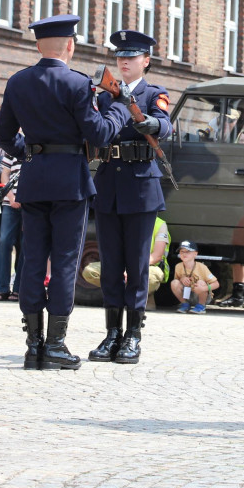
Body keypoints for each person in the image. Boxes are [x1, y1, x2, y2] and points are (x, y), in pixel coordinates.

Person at [0, 14, 131, 371]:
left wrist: (28, 149)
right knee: (66, 260)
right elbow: (99, 134)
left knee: (32, 259)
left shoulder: (18, 81)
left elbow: (3, 134)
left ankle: (33, 344)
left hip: (35, 178)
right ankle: (55, 344)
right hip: (69, 179)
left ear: (38, 45)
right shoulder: (77, 83)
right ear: (70, 45)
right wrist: (116, 108)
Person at [88, 29, 172, 364]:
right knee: (110, 264)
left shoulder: (154, 93)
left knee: (136, 265)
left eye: (131, 56)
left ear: (146, 61)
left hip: (140, 185)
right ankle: (112, 334)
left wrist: (151, 122)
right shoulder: (105, 95)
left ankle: (133, 334)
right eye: (120, 56)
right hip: (109, 182)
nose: (124, 61)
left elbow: (165, 124)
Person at [0, 146, 22, 301]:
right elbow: (4, 175)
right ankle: (2, 288)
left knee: (25, 245)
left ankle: (18, 288)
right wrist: (11, 198)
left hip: (29, 204)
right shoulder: (13, 149)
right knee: (4, 242)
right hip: (9, 203)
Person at [169, 241, 219, 314]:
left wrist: (203, 288)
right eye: (182, 251)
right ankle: (185, 304)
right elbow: (177, 281)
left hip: (201, 295)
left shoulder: (202, 267)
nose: (184, 254)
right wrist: (182, 279)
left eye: (188, 252)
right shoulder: (178, 266)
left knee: (200, 282)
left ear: (195, 254)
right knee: (174, 282)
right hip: (187, 295)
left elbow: (216, 284)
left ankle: (201, 306)